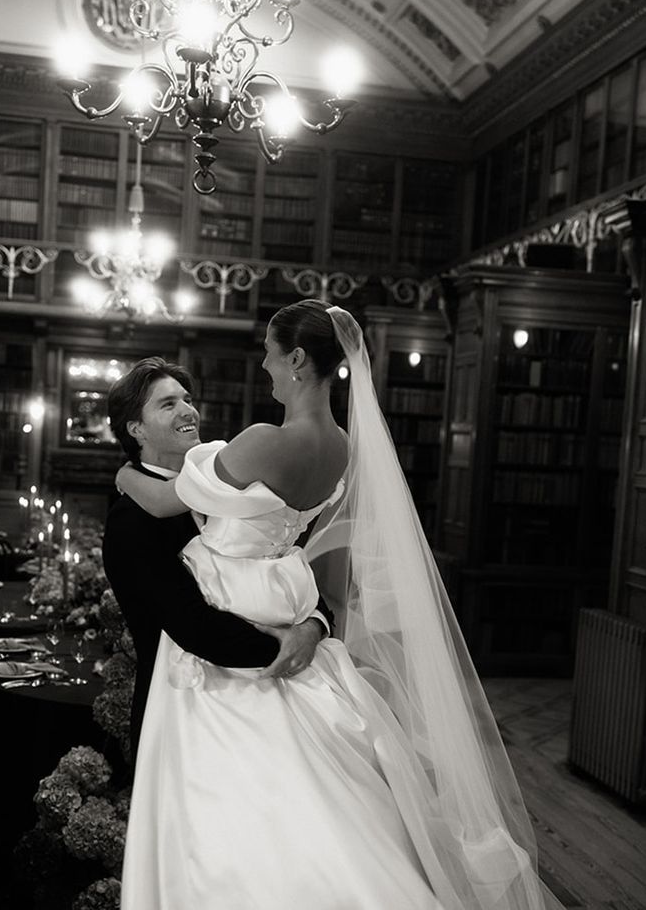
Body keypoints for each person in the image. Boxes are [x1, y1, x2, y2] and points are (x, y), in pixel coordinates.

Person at [115, 300, 565, 910]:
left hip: (237, 668)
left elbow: (170, 503)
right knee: (335, 812)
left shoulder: (261, 442)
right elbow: (300, 556)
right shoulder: (341, 446)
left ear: (296, 359)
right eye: (167, 403)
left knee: (257, 838)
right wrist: (312, 629)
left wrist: (121, 476)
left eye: (271, 354)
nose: (266, 366)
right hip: (283, 622)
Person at [101, 356, 332, 766]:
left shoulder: (230, 484)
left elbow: (287, 567)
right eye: (167, 404)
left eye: (187, 399)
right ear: (136, 429)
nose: (188, 410)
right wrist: (289, 645)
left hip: (269, 709)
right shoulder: (131, 519)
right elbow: (195, 627)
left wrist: (314, 627)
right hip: (187, 715)